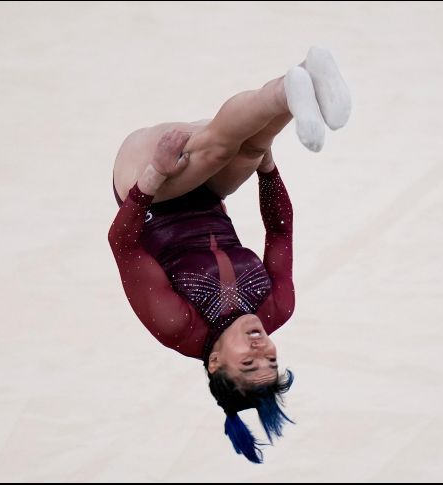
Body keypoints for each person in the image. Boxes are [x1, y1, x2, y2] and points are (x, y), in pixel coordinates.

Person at [108, 47, 351, 463]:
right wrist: (269, 168)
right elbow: (279, 230)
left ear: (216, 363)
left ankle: (288, 91)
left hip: (146, 189)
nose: (262, 350)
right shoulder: (277, 306)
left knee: (220, 149)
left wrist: (154, 175)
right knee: (251, 150)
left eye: (249, 364)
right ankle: (304, 77)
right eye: (271, 361)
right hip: (208, 195)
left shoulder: (179, 326)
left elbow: (123, 244)